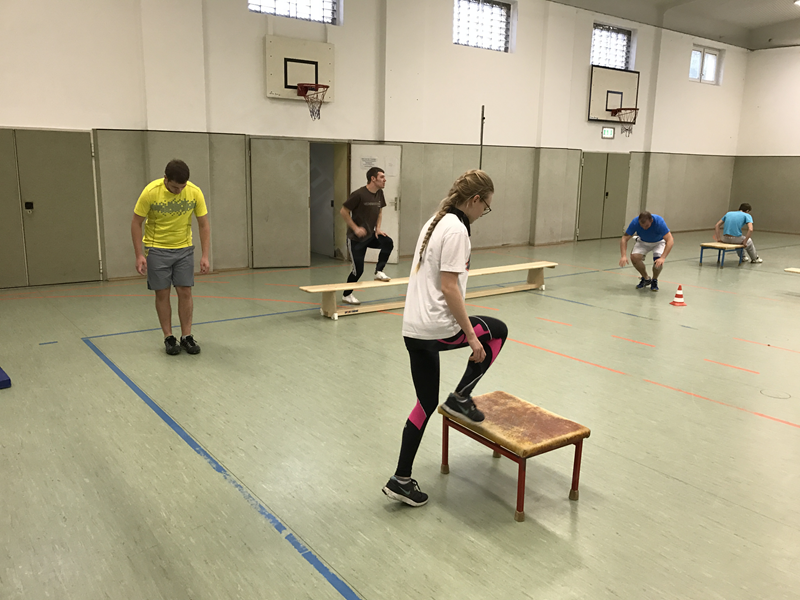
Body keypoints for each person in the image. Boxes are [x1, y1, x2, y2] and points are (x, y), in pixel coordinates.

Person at [382, 170, 508, 508]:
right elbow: (449, 287)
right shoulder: (456, 230)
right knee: (497, 331)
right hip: (439, 328)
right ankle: (461, 397)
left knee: (425, 403)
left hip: (414, 328)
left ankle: (401, 479)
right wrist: (470, 336)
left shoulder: (436, 221)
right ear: (475, 200)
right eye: (486, 207)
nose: (483, 213)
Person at [131, 159, 211, 355]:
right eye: (175, 187)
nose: (179, 191)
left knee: (185, 291)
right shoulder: (151, 192)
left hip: (184, 249)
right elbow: (136, 222)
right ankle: (169, 337)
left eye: (182, 187)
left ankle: (186, 336)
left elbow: (203, 224)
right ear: (165, 178)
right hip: (157, 249)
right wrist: (139, 254)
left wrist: (205, 255)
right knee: (162, 293)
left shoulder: (194, 192)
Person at [339, 167, 394, 305]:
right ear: (373, 179)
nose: (385, 180)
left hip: (370, 235)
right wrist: (356, 228)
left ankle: (379, 271)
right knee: (358, 270)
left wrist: (378, 229)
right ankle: (347, 295)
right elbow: (343, 211)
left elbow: (379, 212)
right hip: (356, 239)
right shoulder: (358, 194)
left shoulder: (379, 193)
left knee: (388, 242)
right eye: (382, 177)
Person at [619, 211, 674, 292]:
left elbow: (670, 240)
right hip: (643, 241)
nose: (644, 228)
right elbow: (624, 238)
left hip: (658, 242)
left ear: (651, 220)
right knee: (634, 258)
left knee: (658, 263)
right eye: (642, 226)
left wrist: (662, 257)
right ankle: (646, 278)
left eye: (647, 226)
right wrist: (623, 255)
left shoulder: (659, 222)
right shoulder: (635, 222)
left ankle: (654, 280)